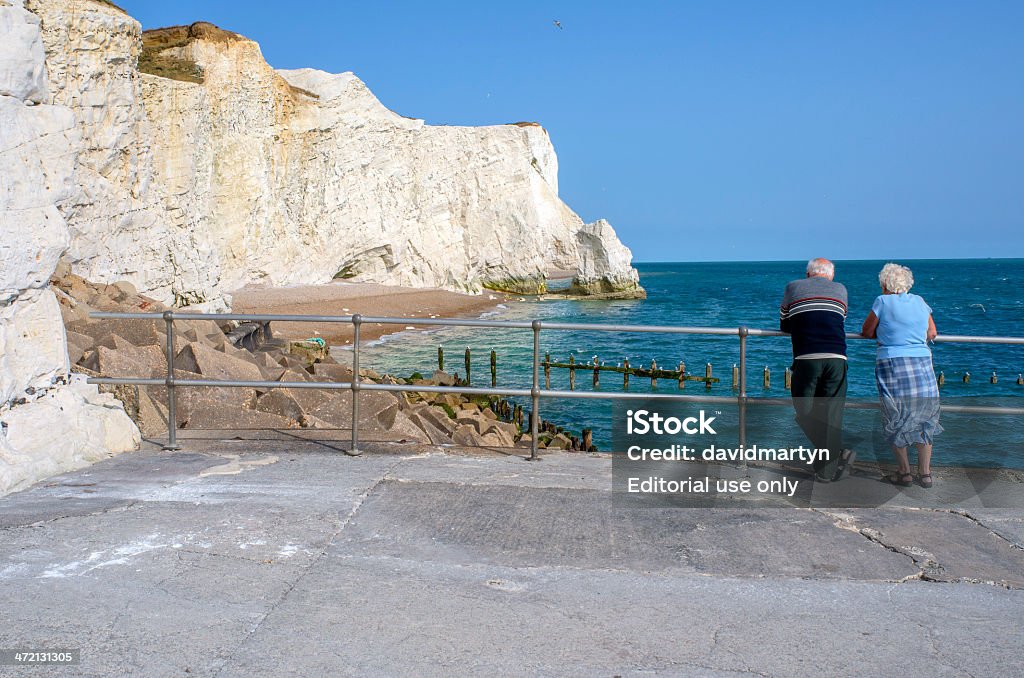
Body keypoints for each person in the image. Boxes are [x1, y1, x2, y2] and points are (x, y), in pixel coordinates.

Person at [861, 263, 942, 488]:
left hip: (892, 363)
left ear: (886, 284)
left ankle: (904, 472)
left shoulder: (882, 301)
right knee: (925, 416)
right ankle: (925, 474)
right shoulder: (920, 301)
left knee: (895, 414)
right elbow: (932, 332)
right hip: (922, 362)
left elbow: (867, 331)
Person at [780, 258, 855, 482]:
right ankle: (829, 465)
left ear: (808, 273)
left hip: (806, 357)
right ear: (830, 275)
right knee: (832, 414)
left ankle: (834, 456)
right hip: (836, 357)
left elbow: (784, 324)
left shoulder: (793, 286)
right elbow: (840, 317)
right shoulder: (841, 289)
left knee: (803, 409)